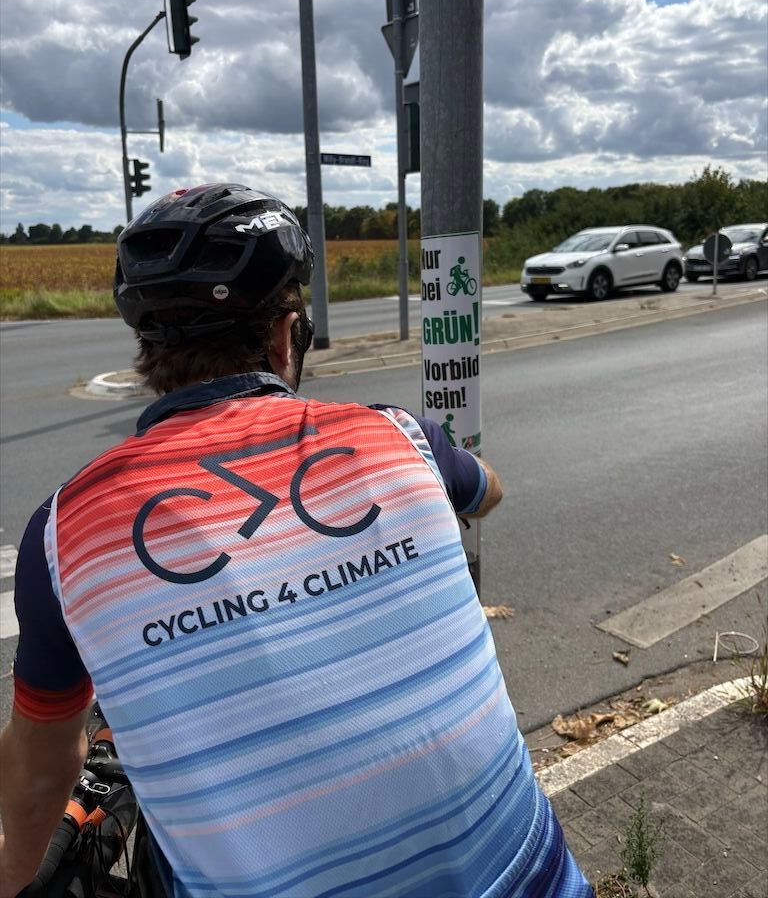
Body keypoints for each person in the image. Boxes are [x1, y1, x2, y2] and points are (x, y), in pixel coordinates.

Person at [0, 183, 592, 898]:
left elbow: (40, 773)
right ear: (286, 335)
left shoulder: (65, 528)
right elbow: (488, 489)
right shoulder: (400, 435)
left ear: (146, 353)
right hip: (539, 879)